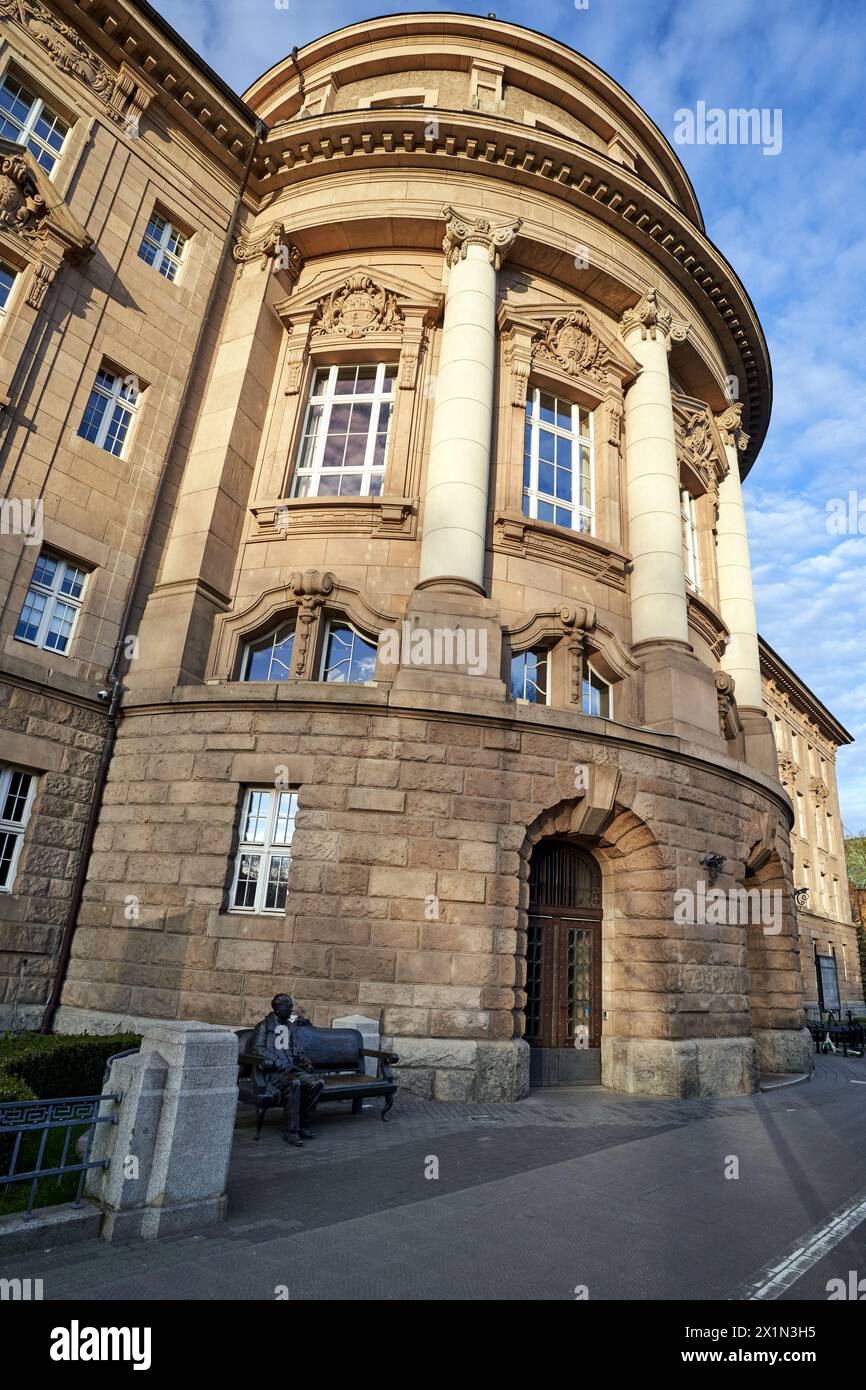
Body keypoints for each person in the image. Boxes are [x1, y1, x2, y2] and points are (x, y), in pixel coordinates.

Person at [248, 994, 324, 1146]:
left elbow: (297, 1050)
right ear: (277, 1008)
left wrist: (305, 1061)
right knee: (294, 1084)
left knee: (317, 1083)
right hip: (273, 1073)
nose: (291, 1009)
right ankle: (291, 1131)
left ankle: (303, 1125)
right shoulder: (264, 1026)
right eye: (287, 1006)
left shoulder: (291, 1027)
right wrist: (276, 1061)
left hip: (292, 1069)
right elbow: (256, 1049)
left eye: (291, 1006)